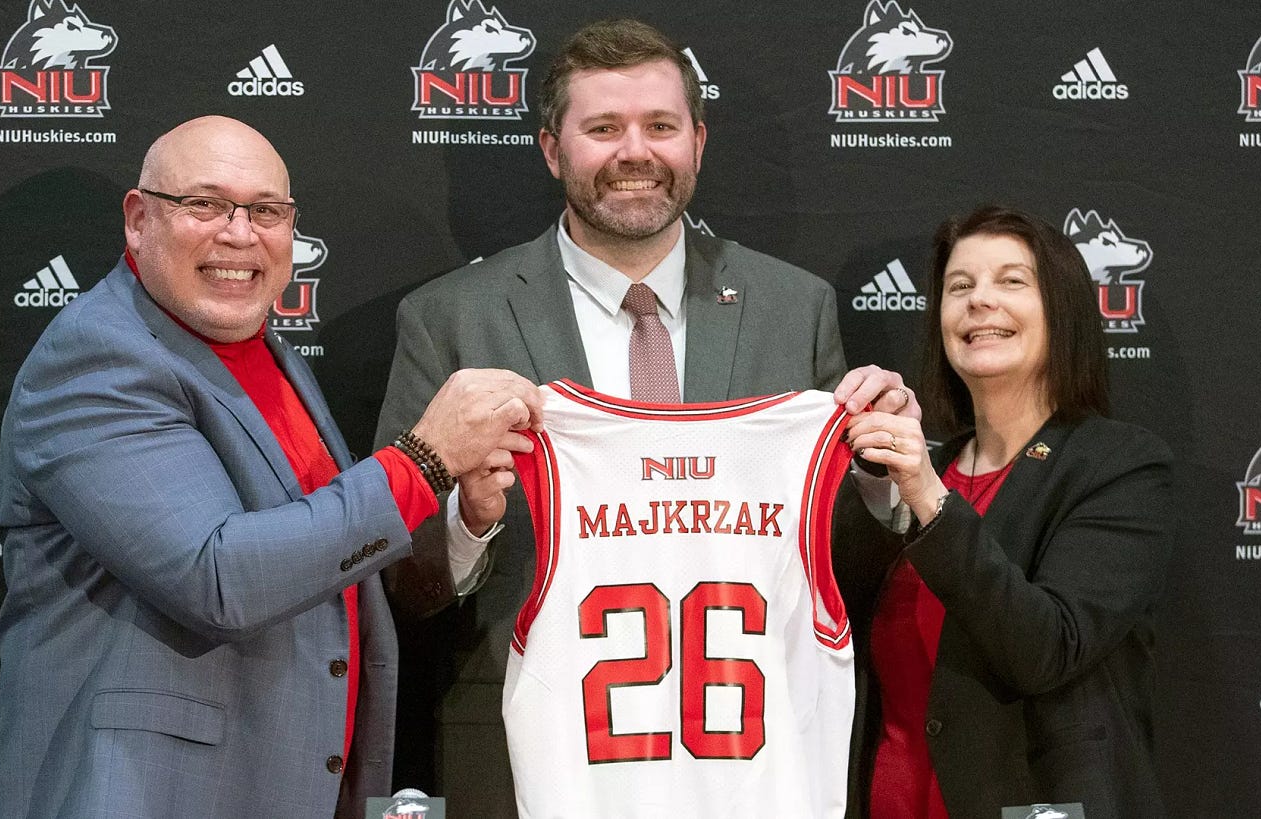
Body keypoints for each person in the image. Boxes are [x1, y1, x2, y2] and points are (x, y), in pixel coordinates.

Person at [374, 18, 914, 817]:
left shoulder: (793, 309)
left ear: (697, 141)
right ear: (553, 150)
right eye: (603, 128)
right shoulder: (452, 319)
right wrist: (469, 520)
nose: (636, 152)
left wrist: (878, 476)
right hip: (533, 756)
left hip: (752, 751)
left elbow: (837, 564)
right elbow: (396, 578)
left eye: (661, 126)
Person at [0, 115, 542, 819]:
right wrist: (423, 460)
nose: (240, 234)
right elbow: (217, 576)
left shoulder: (263, 350)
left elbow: (329, 562)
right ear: (138, 219)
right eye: (205, 204)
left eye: (267, 211)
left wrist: (460, 512)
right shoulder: (95, 361)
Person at [841, 205, 1176, 818]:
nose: (979, 302)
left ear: (1063, 311)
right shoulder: (924, 469)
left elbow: (1045, 647)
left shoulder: (1120, 465)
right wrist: (874, 476)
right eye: (959, 287)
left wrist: (924, 494)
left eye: (1012, 282)